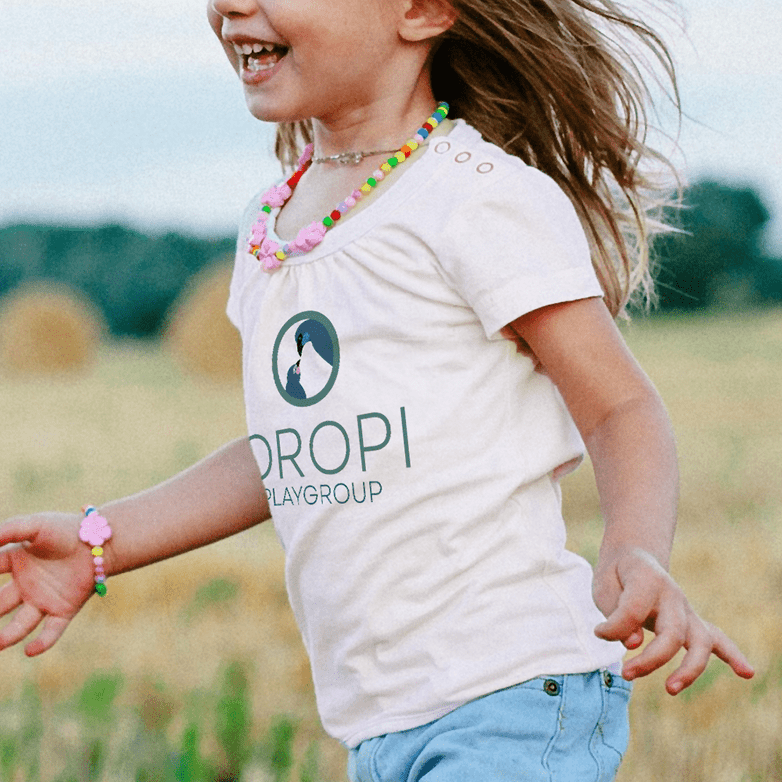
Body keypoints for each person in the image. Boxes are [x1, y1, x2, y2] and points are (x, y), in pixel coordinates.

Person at [0, 0, 755, 778]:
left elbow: (620, 405)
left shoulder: (476, 198)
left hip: (516, 696)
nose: (229, 5)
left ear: (424, 11)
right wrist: (102, 541)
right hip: (379, 727)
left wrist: (633, 548)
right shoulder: (270, 226)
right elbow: (286, 454)